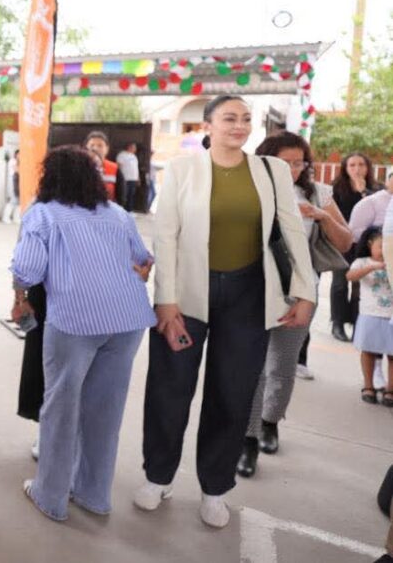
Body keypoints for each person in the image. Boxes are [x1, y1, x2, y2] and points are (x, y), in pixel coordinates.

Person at [136, 95, 315, 529]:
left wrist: (305, 291)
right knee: (169, 389)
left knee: (232, 393)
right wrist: (166, 299)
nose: (240, 126)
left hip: (248, 294)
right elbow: (166, 237)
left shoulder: (270, 171)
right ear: (208, 126)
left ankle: (215, 487)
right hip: (186, 296)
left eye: (246, 119)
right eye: (230, 118)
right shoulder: (182, 170)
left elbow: (292, 231)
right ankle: (158, 476)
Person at [11, 146, 155, 521]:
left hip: (75, 321)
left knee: (60, 408)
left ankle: (50, 497)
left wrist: (20, 296)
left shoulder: (43, 213)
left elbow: (28, 269)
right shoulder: (118, 213)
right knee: (105, 410)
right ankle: (94, 495)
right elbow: (143, 260)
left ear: (49, 177)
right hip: (128, 321)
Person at [237, 132, 352, 477]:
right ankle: (248, 440)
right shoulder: (248, 188)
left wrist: (322, 216)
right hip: (254, 288)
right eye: (284, 162)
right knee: (253, 366)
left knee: (283, 363)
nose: (292, 169)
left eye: (299, 163)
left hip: (300, 291)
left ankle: (270, 422)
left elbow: (346, 242)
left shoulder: (318, 193)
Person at [330, 153, 377, 341]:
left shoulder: (376, 189)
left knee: (359, 286)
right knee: (340, 284)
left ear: (367, 167)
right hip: (343, 243)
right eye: (352, 165)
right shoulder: (336, 189)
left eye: (361, 165)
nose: (357, 169)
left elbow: (378, 210)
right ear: (345, 168)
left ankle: (357, 323)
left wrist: (363, 192)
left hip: (365, 245)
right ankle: (337, 323)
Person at [348, 227, 393, 406]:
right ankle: (368, 386)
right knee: (368, 351)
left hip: (391, 315)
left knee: (392, 355)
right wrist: (372, 267)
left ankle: (390, 389)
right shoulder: (362, 262)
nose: (384, 250)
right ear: (369, 245)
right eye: (381, 246)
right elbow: (350, 276)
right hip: (370, 313)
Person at [84, 131, 119, 201]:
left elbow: (121, 196)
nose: (95, 148)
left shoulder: (115, 168)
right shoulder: (78, 167)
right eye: (91, 145)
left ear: (107, 149)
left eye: (100, 145)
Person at [116, 141, 140, 211]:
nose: (135, 149)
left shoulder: (134, 156)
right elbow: (118, 167)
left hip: (133, 179)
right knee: (124, 195)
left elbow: (136, 168)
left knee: (131, 196)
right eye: (134, 147)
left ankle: (129, 210)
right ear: (129, 147)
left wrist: (138, 178)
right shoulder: (122, 155)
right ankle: (121, 210)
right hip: (125, 179)